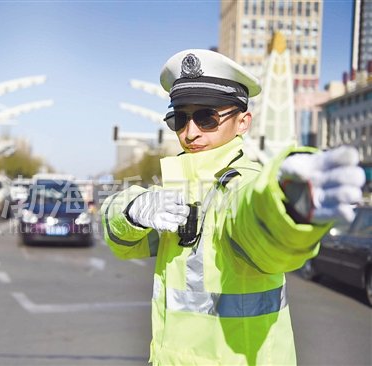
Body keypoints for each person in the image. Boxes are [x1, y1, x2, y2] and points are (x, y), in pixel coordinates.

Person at [101, 49, 365, 365]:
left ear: (242, 123)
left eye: (206, 117)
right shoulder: (176, 187)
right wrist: (132, 210)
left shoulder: (242, 184)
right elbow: (121, 242)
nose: (190, 131)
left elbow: (255, 216)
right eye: (180, 117)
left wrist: (288, 205)